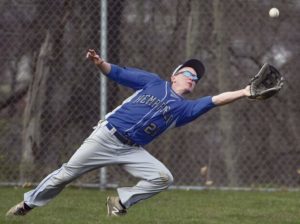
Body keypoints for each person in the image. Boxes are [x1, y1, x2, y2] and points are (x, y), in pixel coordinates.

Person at [6, 49, 251, 217]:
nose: (192, 78)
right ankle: (27, 204)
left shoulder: (184, 109)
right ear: (174, 76)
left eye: (196, 78)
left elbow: (215, 100)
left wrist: (245, 91)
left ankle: (119, 203)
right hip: (106, 137)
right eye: (188, 73)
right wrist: (99, 63)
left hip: (131, 149)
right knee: (65, 175)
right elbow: (119, 73)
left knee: (163, 178)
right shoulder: (154, 83)